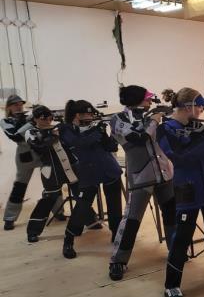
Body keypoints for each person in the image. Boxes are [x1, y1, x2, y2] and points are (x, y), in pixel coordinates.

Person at [156, 87, 204, 297]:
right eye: (200, 105)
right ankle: (171, 284)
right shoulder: (165, 129)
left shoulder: (198, 128)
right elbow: (179, 156)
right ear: (188, 107)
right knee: (181, 239)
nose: (202, 109)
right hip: (187, 190)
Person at [109, 85, 175, 281]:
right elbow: (139, 138)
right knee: (131, 220)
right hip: (140, 175)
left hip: (164, 173)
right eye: (146, 98)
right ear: (136, 99)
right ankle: (118, 261)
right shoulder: (118, 119)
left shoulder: (148, 115)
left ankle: (176, 250)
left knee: (171, 215)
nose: (150, 101)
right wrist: (155, 119)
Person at [60, 100, 122, 259]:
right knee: (81, 208)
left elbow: (112, 147)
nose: (90, 116)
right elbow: (79, 143)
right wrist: (96, 131)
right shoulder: (66, 129)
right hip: (88, 173)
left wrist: (106, 133)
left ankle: (116, 235)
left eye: (91, 114)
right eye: (87, 114)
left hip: (109, 169)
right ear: (77, 115)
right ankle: (68, 240)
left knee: (115, 207)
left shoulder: (95, 128)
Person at [1, 93, 64, 230]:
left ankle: (58, 211)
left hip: (42, 153)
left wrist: (40, 116)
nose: (19, 107)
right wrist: (31, 122)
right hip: (25, 156)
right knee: (19, 187)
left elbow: (45, 127)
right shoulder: (6, 121)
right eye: (15, 104)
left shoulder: (29, 117)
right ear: (9, 107)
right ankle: (9, 218)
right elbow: (15, 136)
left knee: (53, 183)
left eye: (20, 104)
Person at [24, 105, 79, 242]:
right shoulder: (31, 132)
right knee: (48, 199)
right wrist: (52, 136)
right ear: (35, 118)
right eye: (43, 118)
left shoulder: (58, 128)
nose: (47, 120)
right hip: (49, 170)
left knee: (81, 195)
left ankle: (89, 220)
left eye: (49, 117)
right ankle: (33, 231)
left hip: (69, 167)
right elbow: (39, 148)